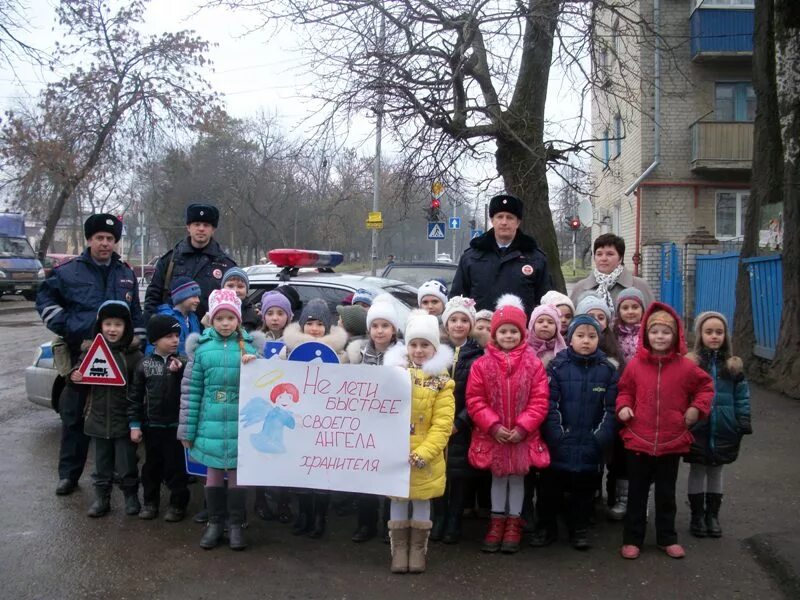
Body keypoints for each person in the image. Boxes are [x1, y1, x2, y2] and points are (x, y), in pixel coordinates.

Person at [36, 213, 145, 496]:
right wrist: (67, 326)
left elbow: (136, 315)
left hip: (119, 359)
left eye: (110, 239)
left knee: (118, 418)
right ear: (89, 239)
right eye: (99, 238)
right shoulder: (68, 271)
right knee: (74, 417)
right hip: (81, 355)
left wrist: (137, 339)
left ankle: (123, 474)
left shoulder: (125, 273)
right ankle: (69, 475)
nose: (105, 243)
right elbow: (45, 299)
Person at [616, 302, 714, 560]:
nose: (660, 337)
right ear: (646, 335)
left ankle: (667, 537)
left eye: (666, 332)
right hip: (638, 439)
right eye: (655, 331)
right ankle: (632, 538)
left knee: (666, 493)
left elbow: (705, 388)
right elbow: (624, 390)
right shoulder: (635, 365)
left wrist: (696, 409)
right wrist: (624, 407)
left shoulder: (686, 367)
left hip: (672, 440)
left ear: (676, 336)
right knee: (636, 494)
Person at [466, 295, 550, 554]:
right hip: (494, 435)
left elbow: (540, 400)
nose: (509, 335)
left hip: (523, 436)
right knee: (498, 478)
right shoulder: (481, 365)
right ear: (495, 334)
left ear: (522, 334)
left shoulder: (533, 364)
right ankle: (497, 521)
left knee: (518, 479)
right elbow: (475, 399)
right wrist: (493, 426)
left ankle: (514, 522)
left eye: (514, 331)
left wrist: (523, 427)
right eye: (503, 331)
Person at [178, 289, 258, 551]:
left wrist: (255, 365)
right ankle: (214, 523)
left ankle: (236, 525)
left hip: (239, 427)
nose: (225, 323)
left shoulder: (249, 349)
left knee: (236, 476)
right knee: (212, 476)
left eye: (230, 318)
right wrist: (186, 431)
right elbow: (191, 393)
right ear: (211, 320)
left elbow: (264, 386)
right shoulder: (201, 350)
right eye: (220, 318)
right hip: (209, 425)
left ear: (238, 321)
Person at [537, 315, 619, 550]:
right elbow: (549, 404)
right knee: (550, 490)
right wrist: (557, 434)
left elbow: (611, 409)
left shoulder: (607, 369)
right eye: (580, 336)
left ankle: (579, 529)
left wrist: (600, 437)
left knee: (583, 492)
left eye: (592, 336)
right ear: (569, 339)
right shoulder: (557, 366)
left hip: (590, 444)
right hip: (560, 443)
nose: (586, 341)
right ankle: (547, 528)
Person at [384, 310, 455, 574]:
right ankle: (398, 549)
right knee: (398, 500)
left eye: (425, 345)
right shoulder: (394, 374)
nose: (418, 350)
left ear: (434, 348)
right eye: (414, 344)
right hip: (397, 451)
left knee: (423, 501)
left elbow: (442, 424)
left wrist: (426, 452)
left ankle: (417, 550)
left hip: (427, 456)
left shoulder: (442, 383)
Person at [282, 298, 349, 539]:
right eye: (309, 323)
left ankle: (320, 517)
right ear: (301, 325)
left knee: (321, 473)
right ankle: (304, 514)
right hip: (298, 420)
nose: (314, 328)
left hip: (325, 424)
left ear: (328, 327)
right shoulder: (287, 350)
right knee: (301, 470)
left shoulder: (341, 354)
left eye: (320, 324)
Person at [69, 301, 143, 517]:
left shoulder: (133, 355)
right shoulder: (92, 351)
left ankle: (131, 496)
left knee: (127, 463)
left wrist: (137, 420)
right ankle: (102, 499)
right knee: (101, 465)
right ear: (100, 326)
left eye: (118, 324)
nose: (112, 329)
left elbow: (141, 388)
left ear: (126, 327)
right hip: (98, 418)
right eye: (108, 324)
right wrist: (75, 375)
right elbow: (78, 374)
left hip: (124, 419)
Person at [684, 311, 752, 539]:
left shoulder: (732, 366)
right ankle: (697, 516)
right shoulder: (692, 365)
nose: (714, 336)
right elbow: (683, 394)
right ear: (700, 334)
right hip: (698, 427)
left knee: (716, 470)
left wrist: (741, 421)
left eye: (719, 332)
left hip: (724, 427)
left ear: (726, 336)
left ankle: (712, 515)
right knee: (697, 469)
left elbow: (742, 396)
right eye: (709, 332)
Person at [346, 294, 403, 543]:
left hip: (392, 425)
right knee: (365, 478)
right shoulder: (357, 353)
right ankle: (365, 523)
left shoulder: (404, 356)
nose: (380, 331)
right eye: (375, 326)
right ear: (369, 328)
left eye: (385, 326)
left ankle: (387, 525)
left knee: (389, 477)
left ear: (394, 329)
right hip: (364, 425)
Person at [431, 296, 483, 545]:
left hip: (462, 426)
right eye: (454, 320)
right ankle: (438, 517)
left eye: (464, 320)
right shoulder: (435, 351)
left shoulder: (477, 356)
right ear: (446, 323)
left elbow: (478, 395)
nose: (459, 325)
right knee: (438, 472)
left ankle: (454, 519)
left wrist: (460, 422)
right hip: (436, 425)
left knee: (459, 475)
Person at [128, 315, 190, 522]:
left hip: (176, 426)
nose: (174, 340)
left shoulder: (183, 362)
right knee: (151, 467)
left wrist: (180, 373)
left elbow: (191, 390)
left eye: (177, 336)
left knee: (176, 468)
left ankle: (177, 504)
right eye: (169, 336)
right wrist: (135, 425)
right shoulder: (143, 365)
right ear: (155, 340)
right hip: (152, 426)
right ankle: (150, 502)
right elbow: (134, 398)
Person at [451, 194, 551, 314]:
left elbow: (545, 303)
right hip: (480, 329)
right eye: (499, 217)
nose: (504, 222)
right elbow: (457, 300)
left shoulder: (536, 259)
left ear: (518, 222)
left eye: (510, 217)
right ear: (492, 220)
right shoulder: (471, 257)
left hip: (520, 331)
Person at [143, 203, 236, 321]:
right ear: (188, 227)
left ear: (213, 230)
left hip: (213, 335)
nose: (201, 229)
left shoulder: (226, 265)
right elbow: (153, 297)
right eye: (196, 224)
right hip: (174, 334)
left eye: (206, 225)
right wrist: (151, 330)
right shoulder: (170, 260)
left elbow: (239, 300)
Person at [570, 233, 655, 312]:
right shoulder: (580, 288)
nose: (603, 258)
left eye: (610, 254)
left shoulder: (640, 286)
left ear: (620, 258)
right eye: (599, 254)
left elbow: (652, 319)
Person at [147, 277, 202, 355]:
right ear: (181, 297)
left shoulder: (193, 318)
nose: (198, 300)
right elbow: (151, 347)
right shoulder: (165, 318)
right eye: (194, 296)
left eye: (198, 297)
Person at [527, 303, 567, 368]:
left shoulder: (562, 353)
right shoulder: (523, 350)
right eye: (540, 321)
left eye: (550, 322)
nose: (545, 325)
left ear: (557, 328)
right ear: (532, 326)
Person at [221, 267, 260, 332]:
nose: (235, 290)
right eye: (230, 286)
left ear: (247, 291)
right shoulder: (213, 311)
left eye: (240, 286)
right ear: (222, 288)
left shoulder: (254, 313)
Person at [613, 288, 647, 364]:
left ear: (642, 309)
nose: (630, 311)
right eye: (625, 308)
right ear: (619, 311)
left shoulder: (648, 331)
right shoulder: (613, 332)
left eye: (635, 307)